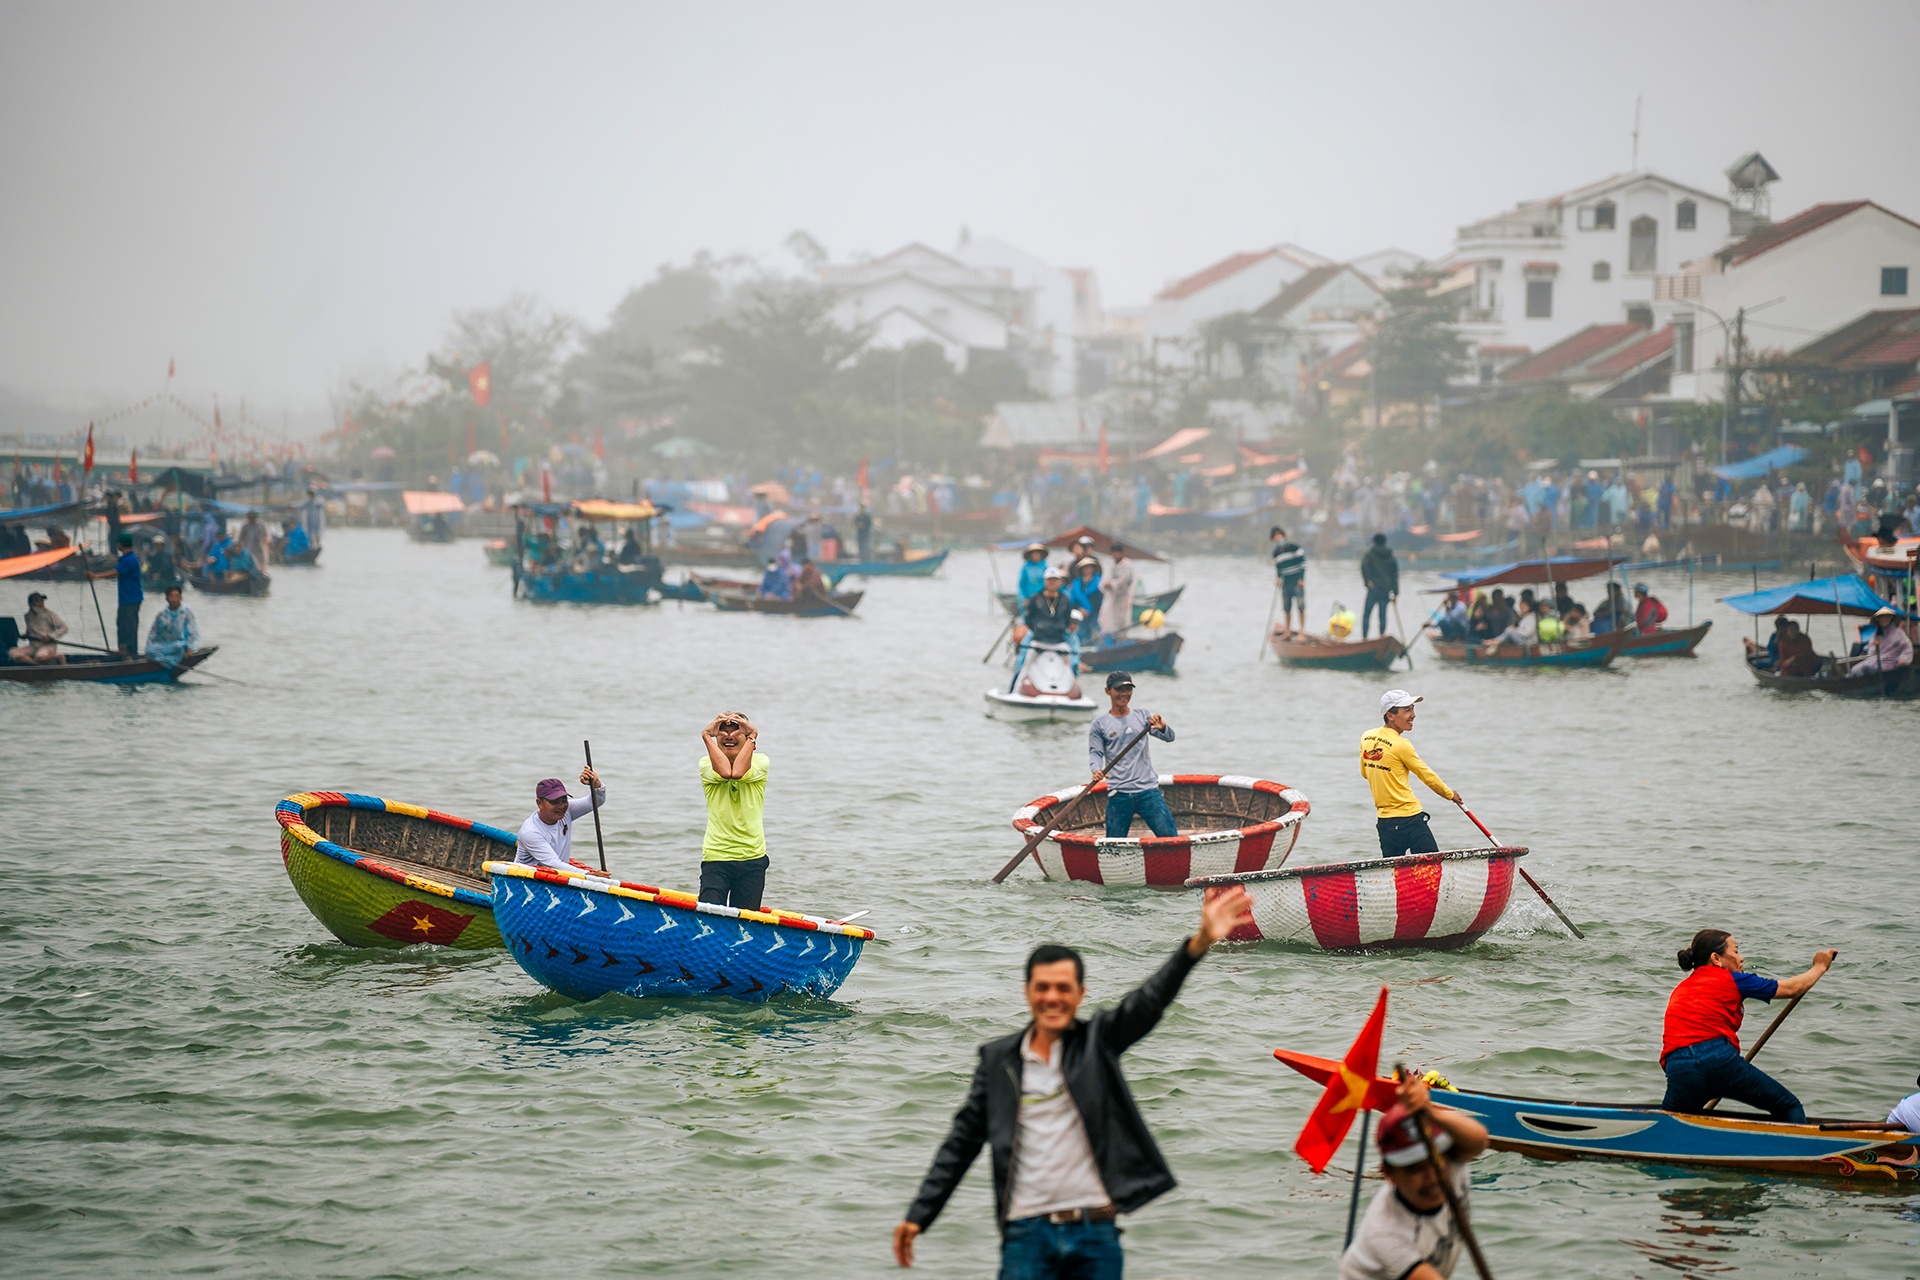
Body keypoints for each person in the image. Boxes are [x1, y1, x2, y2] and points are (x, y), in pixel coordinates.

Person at [892, 886, 1257, 1276]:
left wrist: (1198, 944)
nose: (1053, 997)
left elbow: (1149, 1000)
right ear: (1027, 992)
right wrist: (920, 1215)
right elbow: (962, 1142)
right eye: (1043, 987)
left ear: (1081, 993)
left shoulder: (1098, 1043)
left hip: (1095, 1233)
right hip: (1026, 1235)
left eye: (1063, 988)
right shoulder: (999, 1061)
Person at [1661, 929, 1836, 1122]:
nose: (1741, 958)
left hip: (1676, 1065)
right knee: (1788, 1105)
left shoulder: (1681, 988)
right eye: (1736, 952)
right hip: (1717, 1059)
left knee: (1672, 1120)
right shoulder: (1733, 979)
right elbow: (1793, 988)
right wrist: (1820, 966)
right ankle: (1801, 1150)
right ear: (1716, 958)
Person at [1339, 1073, 1491, 1280]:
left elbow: (1479, 1140)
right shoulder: (1386, 1234)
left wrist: (1428, 1109)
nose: (1432, 1177)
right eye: (1415, 1169)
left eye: (1435, 1161)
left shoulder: (1449, 1162)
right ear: (1389, 1174)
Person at [1360, 691, 1460, 859]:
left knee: (1394, 876)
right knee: (1431, 869)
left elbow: (1365, 772)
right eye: (1406, 710)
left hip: (1386, 824)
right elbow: (1426, 775)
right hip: (1410, 819)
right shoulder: (1402, 745)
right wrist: (1450, 794)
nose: (1413, 715)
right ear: (1390, 715)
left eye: (1412, 709)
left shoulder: (1367, 737)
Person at [1089, 672, 1176, 839]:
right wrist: (1096, 769)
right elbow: (1096, 753)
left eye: (1128, 688)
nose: (1124, 693)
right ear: (1108, 691)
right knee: (1113, 846)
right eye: (1119, 689)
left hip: (1148, 791)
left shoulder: (1143, 716)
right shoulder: (1099, 724)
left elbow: (1169, 737)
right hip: (1119, 793)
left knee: (1171, 839)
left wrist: (1163, 726)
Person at [699, 711, 770, 910]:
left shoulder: (761, 761)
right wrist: (706, 735)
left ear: (750, 742)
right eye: (723, 730)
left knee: (745, 923)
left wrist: (753, 733)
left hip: (752, 857)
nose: (729, 735)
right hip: (716, 856)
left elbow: (737, 773)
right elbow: (725, 772)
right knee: (709, 917)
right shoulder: (706, 764)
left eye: (736, 731)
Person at [513, 768, 608, 874]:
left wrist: (596, 784)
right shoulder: (531, 832)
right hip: (524, 881)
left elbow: (596, 802)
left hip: (556, 876)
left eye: (564, 800)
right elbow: (553, 863)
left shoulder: (567, 810)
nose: (561, 806)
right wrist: (590, 875)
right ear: (539, 803)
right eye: (555, 802)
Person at [1013, 566, 1081, 689]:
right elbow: (1029, 619)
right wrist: (1038, 629)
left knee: (1072, 665)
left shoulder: (1065, 599)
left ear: (1059, 581)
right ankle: (1014, 690)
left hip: (1058, 641)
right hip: (1038, 640)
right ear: (1045, 581)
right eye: (1049, 579)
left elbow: (1067, 619)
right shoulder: (1035, 598)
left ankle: (1073, 690)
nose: (1052, 582)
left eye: (1055, 580)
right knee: (1023, 665)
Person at [1847, 606, 1913, 679]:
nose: (1885, 619)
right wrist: (1875, 646)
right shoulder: (1876, 634)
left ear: (1891, 618)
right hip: (1877, 660)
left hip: (1892, 661)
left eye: (1887, 617)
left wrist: (1903, 659)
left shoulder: (1898, 632)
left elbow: (1907, 647)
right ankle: (1850, 681)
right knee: (1855, 669)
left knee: (1868, 667)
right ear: (1878, 619)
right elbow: (1871, 653)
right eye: (1882, 617)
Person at [144, 586, 199, 666]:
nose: (174, 599)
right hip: (164, 645)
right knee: (151, 650)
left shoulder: (186, 612)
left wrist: (190, 648)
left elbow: (192, 631)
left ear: (180, 598)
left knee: (179, 647)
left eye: (176, 597)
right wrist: (147, 650)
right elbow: (153, 633)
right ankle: (163, 662)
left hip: (178, 645)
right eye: (171, 597)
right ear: (166, 598)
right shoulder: (162, 614)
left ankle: (168, 661)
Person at [1360, 534, 1399, 639]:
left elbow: (1364, 567)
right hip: (1386, 590)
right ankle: (1381, 635)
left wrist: (1368, 581)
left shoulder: (1370, 554)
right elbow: (1394, 575)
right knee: (1382, 615)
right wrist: (1396, 593)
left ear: (1374, 542)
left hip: (1373, 589)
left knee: (1367, 614)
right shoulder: (1390, 556)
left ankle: (1364, 638)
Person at [1270, 525, 1307, 636]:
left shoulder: (1294, 547)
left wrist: (1301, 578)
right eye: (1275, 537)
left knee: (1300, 607)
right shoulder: (1276, 553)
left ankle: (1302, 631)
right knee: (1287, 608)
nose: (1277, 539)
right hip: (1286, 583)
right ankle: (1288, 630)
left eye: (1279, 536)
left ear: (1284, 536)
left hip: (1297, 581)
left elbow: (1303, 563)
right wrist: (1278, 579)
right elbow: (1278, 568)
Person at [10, 591, 67, 663]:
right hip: (33, 646)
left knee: (40, 657)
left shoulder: (50, 614)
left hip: (47, 645)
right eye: (37, 601)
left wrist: (50, 636)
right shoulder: (27, 616)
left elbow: (63, 628)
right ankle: (35, 664)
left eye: (41, 601)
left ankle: (59, 657)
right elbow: (30, 630)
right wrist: (26, 635)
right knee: (12, 652)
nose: (41, 603)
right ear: (30, 604)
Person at [114, 532, 143, 657]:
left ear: (121, 544)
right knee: (121, 624)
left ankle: (132, 653)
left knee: (130, 627)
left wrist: (95, 576)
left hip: (131, 599)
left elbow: (116, 572)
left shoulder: (130, 559)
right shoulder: (125, 558)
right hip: (125, 599)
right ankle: (123, 650)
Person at [1097, 543, 1135, 638]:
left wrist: (1112, 584)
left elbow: (1124, 580)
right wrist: (1106, 585)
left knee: (1121, 620)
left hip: (1123, 597)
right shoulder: (1110, 565)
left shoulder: (1127, 565)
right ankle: (1107, 638)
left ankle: (1121, 638)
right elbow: (1103, 581)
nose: (1115, 555)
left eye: (1118, 553)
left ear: (1122, 553)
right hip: (1110, 597)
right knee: (1105, 618)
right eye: (1114, 553)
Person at [1067, 558, 1103, 645]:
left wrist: (1089, 610)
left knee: (1096, 635)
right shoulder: (1076, 583)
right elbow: (1072, 600)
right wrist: (1080, 609)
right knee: (1080, 635)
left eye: (1089, 567)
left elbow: (1099, 599)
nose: (1087, 569)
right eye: (1084, 567)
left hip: (1095, 614)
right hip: (1079, 614)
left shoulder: (1099, 582)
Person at [1015, 542, 1049, 606]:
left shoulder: (1044, 566)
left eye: (1038, 553)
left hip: (1042, 597)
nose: (1036, 555)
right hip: (1029, 596)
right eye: (1034, 553)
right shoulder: (1025, 567)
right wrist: (1024, 598)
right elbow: (1021, 584)